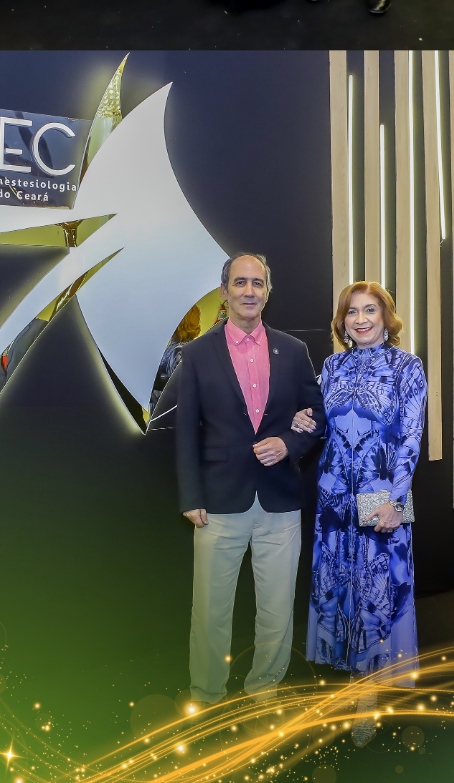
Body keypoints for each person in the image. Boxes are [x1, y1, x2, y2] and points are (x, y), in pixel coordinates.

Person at [175, 254, 326, 705]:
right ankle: (206, 693)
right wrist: (190, 494)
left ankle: (265, 690)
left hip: (280, 498)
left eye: (257, 283)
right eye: (239, 282)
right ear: (224, 292)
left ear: (267, 291)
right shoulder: (197, 353)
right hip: (218, 501)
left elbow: (316, 417)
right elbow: (186, 431)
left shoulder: (293, 351)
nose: (249, 291)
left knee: (277, 607)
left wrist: (289, 444)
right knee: (210, 610)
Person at [291, 281, 426, 745]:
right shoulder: (332, 366)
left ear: (386, 316)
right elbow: (322, 427)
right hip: (334, 495)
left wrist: (395, 500)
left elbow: (412, 437)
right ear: (342, 321)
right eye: (352, 312)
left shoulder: (407, 366)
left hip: (380, 493)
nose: (361, 319)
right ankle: (351, 676)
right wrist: (303, 421)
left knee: (375, 588)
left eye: (370, 310)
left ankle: (368, 694)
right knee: (342, 585)